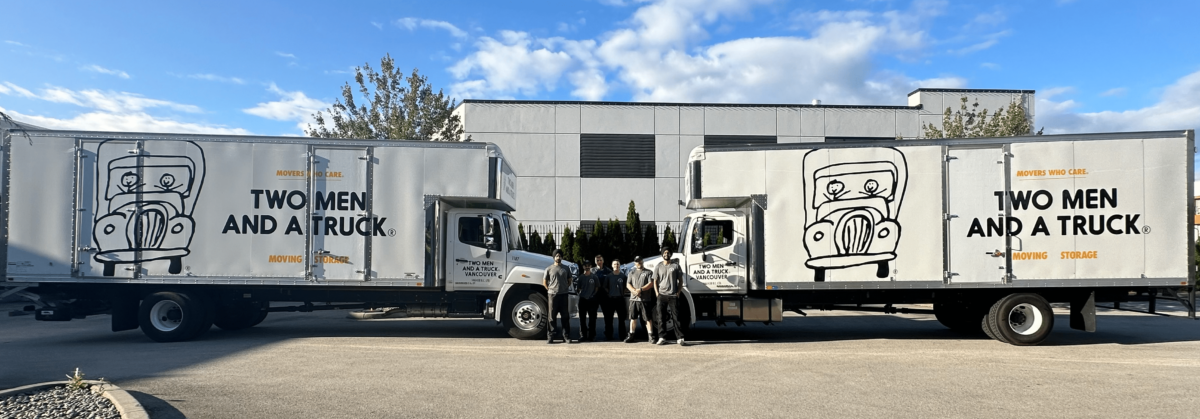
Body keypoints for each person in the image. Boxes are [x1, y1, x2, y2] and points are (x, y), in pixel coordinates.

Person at [654, 246, 686, 346]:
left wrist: (679, 292)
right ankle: (662, 337)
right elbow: (655, 280)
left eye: (668, 253)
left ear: (670, 254)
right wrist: (657, 293)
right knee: (661, 317)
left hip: (673, 295)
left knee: (676, 317)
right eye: (664, 253)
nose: (666, 254)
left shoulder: (676, 266)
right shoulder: (658, 266)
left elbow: (680, 280)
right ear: (662, 254)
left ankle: (680, 338)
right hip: (661, 295)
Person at [542, 249, 576, 344]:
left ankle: (566, 336)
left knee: (565, 316)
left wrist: (565, 287)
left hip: (564, 295)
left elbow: (569, 280)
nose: (558, 257)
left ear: (562, 257)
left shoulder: (566, 268)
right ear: (554, 257)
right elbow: (544, 281)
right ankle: (551, 336)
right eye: (557, 256)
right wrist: (549, 289)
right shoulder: (549, 269)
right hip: (552, 295)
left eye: (560, 256)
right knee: (551, 317)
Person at [625, 256, 656, 343]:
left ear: (643, 261)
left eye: (640, 261)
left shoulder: (649, 272)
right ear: (635, 263)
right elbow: (628, 284)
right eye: (637, 262)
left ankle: (651, 336)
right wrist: (634, 291)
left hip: (645, 300)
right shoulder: (631, 272)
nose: (639, 263)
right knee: (633, 318)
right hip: (634, 299)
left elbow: (651, 283)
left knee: (647, 318)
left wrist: (641, 289)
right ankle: (631, 335)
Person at [602, 259, 628, 341]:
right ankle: (609, 336)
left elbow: (626, 287)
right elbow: (605, 287)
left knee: (621, 319)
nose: (616, 265)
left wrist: (622, 293)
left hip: (620, 299)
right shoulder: (609, 276)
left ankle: (622, 336)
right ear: (612, 266)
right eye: (614, 264)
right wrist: (609, 293)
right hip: (611, 300)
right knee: (609, 319)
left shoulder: (623, 276)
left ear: (619, 265)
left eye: (617, 264)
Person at [574, 262, 600, 342]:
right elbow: (578, 288)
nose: (587, 267)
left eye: (589, 265)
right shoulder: (581, 277)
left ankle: (592, 336)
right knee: (582, 319)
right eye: (586, 266)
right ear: (583, 267)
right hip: (583, 300)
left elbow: (597, 287)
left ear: (591, 266)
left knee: (592, 319)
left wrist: (593, 295)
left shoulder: (594, 277)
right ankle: (583, 335)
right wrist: (582, 294)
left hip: (592, 300)